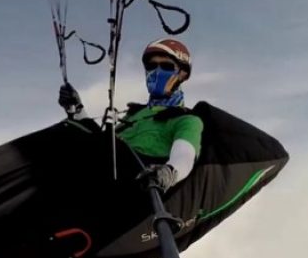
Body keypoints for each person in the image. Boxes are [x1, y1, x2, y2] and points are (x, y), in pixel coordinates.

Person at [58, 37, 204, 193]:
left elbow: (184, 156)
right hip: (100, 175)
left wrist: (168, 172)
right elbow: (102, 144)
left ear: (182, 74)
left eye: (166, 66)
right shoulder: (134, 114)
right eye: (151, 66)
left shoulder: (187, 120)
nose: (157, 71)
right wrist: (77, 109)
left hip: (135, 182)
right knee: (64, 133)